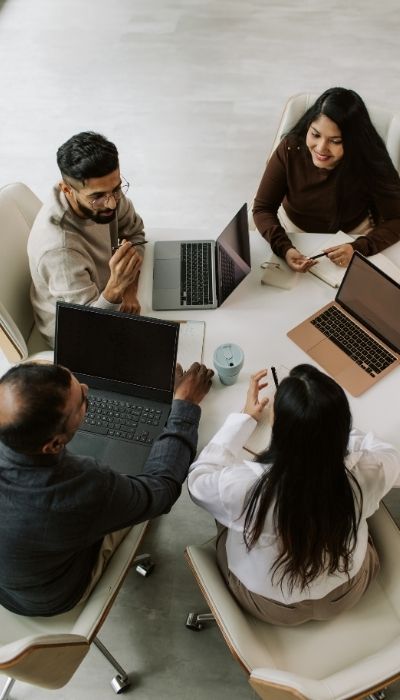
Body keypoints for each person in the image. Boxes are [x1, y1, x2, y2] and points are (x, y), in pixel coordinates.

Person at [188, 365, 400, 625]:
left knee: (225, 513)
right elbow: (387, 452)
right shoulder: (371, 469)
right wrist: (328, 430)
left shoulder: (245, 488)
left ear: (279, 428)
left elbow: (198, 481)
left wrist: (244, 418)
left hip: (272, 607)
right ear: (342, 426)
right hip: (347, 592)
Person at [0, 360, 213, 616]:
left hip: (12, 580)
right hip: (51, 596)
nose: (87, 387)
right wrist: (185, 406)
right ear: (54, 444)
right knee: (134, 486)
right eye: (83, 400)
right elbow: (161, 490)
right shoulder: (82, 488)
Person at [253, 87, 400, 272]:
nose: (321, 148)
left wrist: (358, 248)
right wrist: (284, 248)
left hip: (352, 236)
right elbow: (262, 208)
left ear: (353, 141)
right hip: (291, 231)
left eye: (335, 141)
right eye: (315, 134)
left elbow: (397, 219)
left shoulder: (369, 160)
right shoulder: (290, 149)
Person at [28, 131, 146, 347]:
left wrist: (129, 289)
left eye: (117, 188)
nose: (111, 203)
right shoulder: (59, 250)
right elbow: (89, 327)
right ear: (67, 190)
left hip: (107, 297)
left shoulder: (106, 194)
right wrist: (117, 288)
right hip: (76, 335)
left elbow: (135, 232)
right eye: (97, 197)